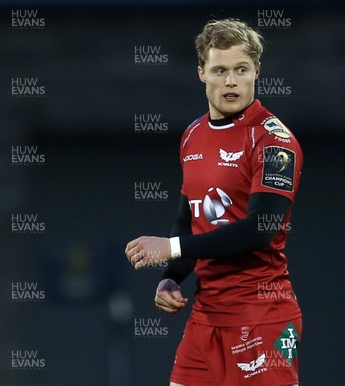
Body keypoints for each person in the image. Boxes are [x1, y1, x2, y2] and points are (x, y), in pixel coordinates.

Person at [125, 18, 303, 386]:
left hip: (261, 317)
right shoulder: (192, 135)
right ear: (201, 73)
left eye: (241, 69)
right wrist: (172, 277)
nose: (231, 81)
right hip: (205, 318)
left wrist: (170, 249)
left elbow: (260, 231)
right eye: (220, 70)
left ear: (257, 70)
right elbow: (189, 221)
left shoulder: (274, 143)